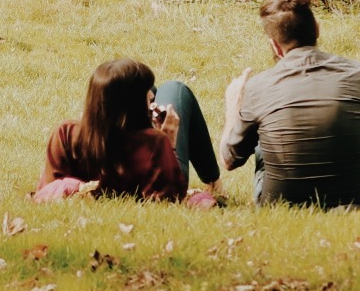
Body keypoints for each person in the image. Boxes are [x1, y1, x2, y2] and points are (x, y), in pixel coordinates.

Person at [219, 0, 360, 210]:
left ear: (274, 45)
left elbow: (229, 160)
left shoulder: (258, 86)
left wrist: (234, 106)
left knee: (263, 130)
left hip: (278, 208)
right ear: (317, 29)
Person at [35, 59, 221, 204]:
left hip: (107, 146)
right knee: (175, 88)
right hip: (159, 167)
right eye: (146, 93)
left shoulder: (65, 134)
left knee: (144, 88)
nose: (151, 95)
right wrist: (170, 143)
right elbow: (170, 198)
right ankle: (213, 181)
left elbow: (50, 189)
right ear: (132, 107)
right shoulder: (155, 142)